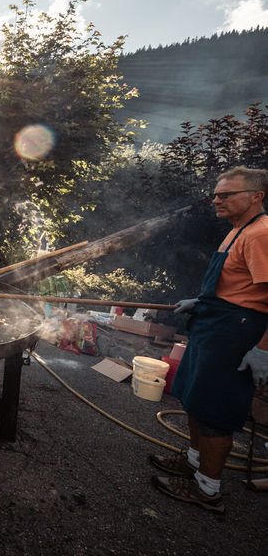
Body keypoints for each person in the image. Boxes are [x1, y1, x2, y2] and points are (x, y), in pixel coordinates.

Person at [150, 166, 268, 514]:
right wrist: (201, 302)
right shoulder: (236, 231)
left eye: (226, 194)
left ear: (256, 196)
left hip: (236, 333)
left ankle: (207, 488)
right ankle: (193, 462)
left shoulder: (261, 234)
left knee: (215, 412)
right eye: (216, 193)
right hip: (213, 324)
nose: (216, 199)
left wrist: (263, 350)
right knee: (195, 399)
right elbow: (236, 285)